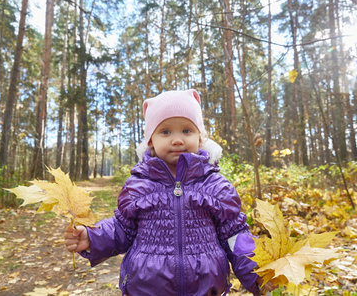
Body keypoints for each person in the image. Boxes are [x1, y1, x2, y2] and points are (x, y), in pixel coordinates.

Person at [65, 89, 273, 295]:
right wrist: (93, 238)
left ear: (200, 138)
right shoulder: (138, 185)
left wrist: (260, 277)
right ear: (150, 140)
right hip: (146, 289)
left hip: (205, 289)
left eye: (186, 131)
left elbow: (235, 238)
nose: (177, 140)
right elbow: (122, 228)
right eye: (165, 131)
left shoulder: (216, 186)